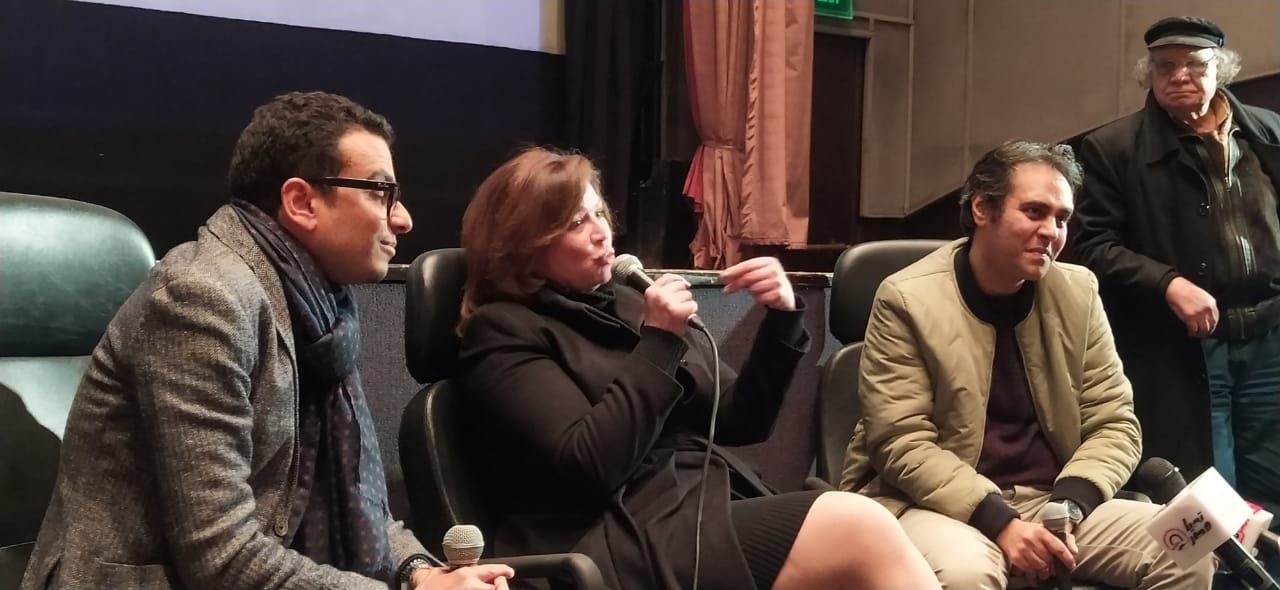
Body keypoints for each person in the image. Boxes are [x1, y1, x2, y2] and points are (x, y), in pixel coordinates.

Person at [21, 91, 513, 590]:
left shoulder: (321, 309)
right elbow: (221, 557)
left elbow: (357, 497)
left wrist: (420, 574)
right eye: (380, 192)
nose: (403, 218)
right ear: (301, 202)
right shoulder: (203, 297)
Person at [455, 147, 940, 590]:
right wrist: (659, 342)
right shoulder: (502, 332)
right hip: (611, 534)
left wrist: (781, 321)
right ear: (524, 246)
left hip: (693, 503)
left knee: (853, 544)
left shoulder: (627, 301)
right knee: (857, 526)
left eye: (599, 212)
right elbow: (591, 465)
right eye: (576, 222)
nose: (602, 231)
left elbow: (741, 421)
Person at [841, 139, 1214, 589]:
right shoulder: (907, 298)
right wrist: (1000, 522)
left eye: (1062, 218)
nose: (1051, 231)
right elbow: (901, 442)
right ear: (982, 208)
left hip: (1055, 501)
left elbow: (1115, 423)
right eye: (1035, 212)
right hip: (935, 506)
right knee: (966, 574)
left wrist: (1071, 504)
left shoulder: (1078, 292)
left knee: (1189, 547)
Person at [1073, 16, 1280, 530]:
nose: (1179, 75)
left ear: (1221, 70)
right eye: (1165, 66)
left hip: (1269, 337)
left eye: (1194, 64)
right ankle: (1219, 572)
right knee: (1209, 492)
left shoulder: (1269, 132)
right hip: (1185, 349)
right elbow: (1092, 247)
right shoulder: (1112, 148)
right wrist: (1168, 282)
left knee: (1273, 483)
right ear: (1149, 75)